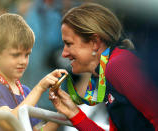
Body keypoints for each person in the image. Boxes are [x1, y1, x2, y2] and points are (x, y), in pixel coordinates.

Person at [49, 3, 158, 131]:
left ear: (95, 43)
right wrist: (73, 113)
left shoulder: (117, 66)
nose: (64, 53)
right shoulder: (107, 72)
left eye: (69, 44)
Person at [0, 13, 68, 131]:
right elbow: (11, 121)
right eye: (15, 55)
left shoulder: (26, 92)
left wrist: (62, 114)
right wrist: (40, 88)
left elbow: (36, 130)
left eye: (27, 55)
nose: (23, 61)